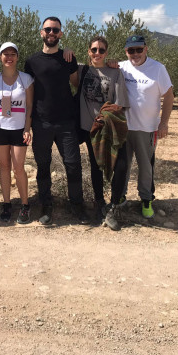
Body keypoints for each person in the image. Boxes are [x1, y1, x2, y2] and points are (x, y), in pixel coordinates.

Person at [24, 16, 88, 225]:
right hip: (41, 123)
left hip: (66, 122)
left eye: (55, 30)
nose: (51, 33)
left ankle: (76, 205)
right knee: (43, 166)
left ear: (60, 34)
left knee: (73, 165)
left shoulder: (67, 58)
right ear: (41, 32)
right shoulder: (31, 62)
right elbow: (28, 91)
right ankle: (46, 205)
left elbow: (77, 84)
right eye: (48, 29)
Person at [71, 36, 129, 230]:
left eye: (101, 50)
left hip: (109, 127)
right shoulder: (82, 70)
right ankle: (99, 203)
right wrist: (67, 51)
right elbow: (62, 65)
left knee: (120, 165)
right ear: (88, 51)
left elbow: (120, 103)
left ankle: (113, 204)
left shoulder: (114, 73)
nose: (97, 53)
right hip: (90, 128)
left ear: (106, 52)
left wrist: (105, 115)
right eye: (94, 50)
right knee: (96, 166)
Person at [118, 35, 174, 219]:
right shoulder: (120, 67)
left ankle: (146, 199)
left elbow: (169, 96)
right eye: (130, 50)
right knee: (122, 165)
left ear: (146, 49)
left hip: (148, 128)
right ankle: (120, 197)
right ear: (126, 52)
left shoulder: (158, 69)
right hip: (124, 127)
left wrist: (164, 122)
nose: (135, 54)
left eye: (138, 49)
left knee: (146, 166)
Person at [0, 42, 34, 223]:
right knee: (4, 167)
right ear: (0, 57)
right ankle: (6, 203)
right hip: (0, 129)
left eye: (13, 54)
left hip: (19, 130)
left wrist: (28, 129)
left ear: (17, 57)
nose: (9, 57)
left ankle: (25, 205)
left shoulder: (26, 79)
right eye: (6, 54)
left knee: (18, 168)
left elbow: (29, 107)